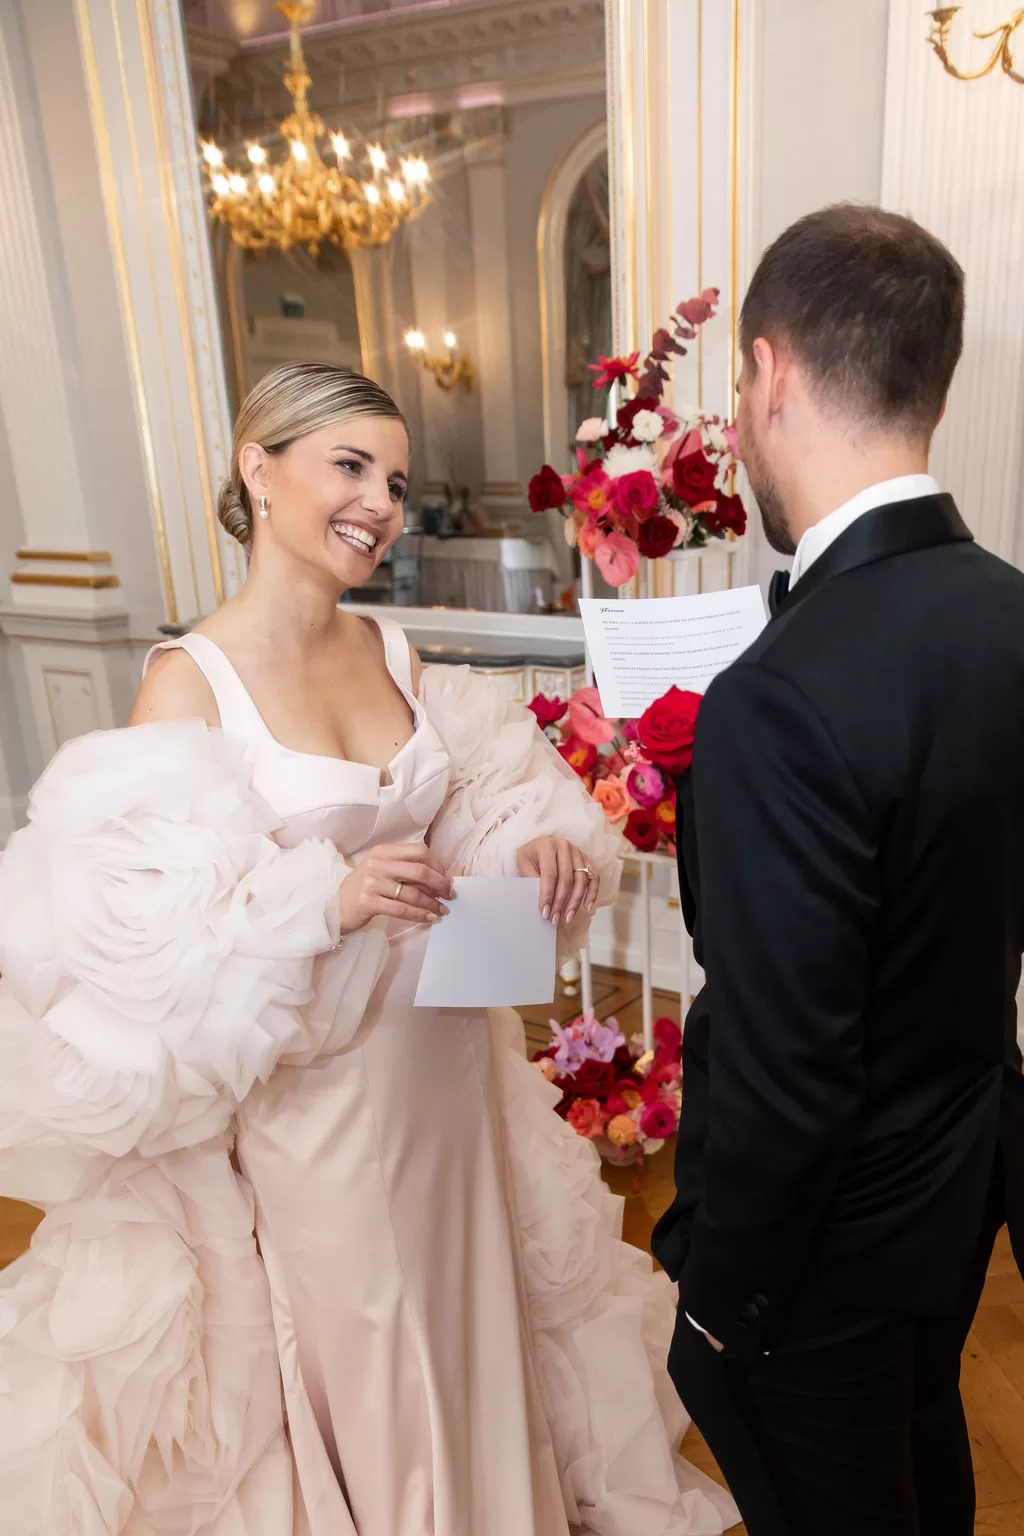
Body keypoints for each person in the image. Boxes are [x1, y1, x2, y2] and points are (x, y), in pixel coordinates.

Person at [0, 363, 739, 1536]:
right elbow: (145, 960)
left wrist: (537, 854)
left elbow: (488, 815)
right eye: (350, 467)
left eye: (393, 480)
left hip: (450, 1083)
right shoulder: (188, 686)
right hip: (316, 1122)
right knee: (376, 1347)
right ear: (259, 468)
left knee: (472, 1327)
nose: (381, 504)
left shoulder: (394, 655)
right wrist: (325, 902)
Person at [653, 204, 1024, 1536]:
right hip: (951, 1208)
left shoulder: (782, 696)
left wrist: (718, 1302)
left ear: (764, 375)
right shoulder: (1010, 613)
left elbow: (787, 1080)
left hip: (820, 1268)